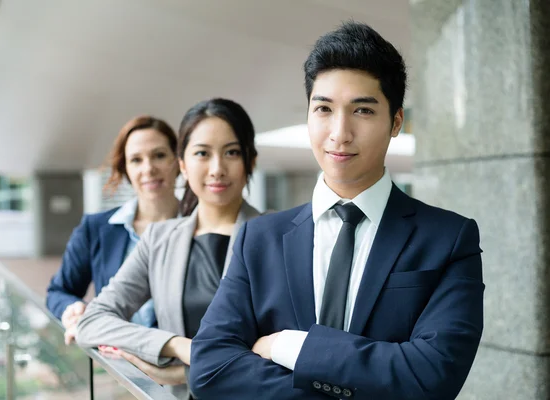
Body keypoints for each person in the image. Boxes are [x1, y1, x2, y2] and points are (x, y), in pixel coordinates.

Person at [189, 21, 484, 400]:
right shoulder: (258, 238)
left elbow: (432, 376)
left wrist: (289, 347)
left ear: (395, 122)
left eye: (362, 110)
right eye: (324, 109)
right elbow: (210, 367)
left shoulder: (448, 239)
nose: (339, 133)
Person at [75, 98, 261, 400]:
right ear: (183, 165)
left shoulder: (279, 236)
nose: (217, 169)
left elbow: (289, 351)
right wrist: (175, 345)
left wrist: (184, 371)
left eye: (232, 152)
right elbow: (92, 322)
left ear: (250, 161)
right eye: (202, 153)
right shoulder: (160, 239)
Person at [46, 116, 180, 345]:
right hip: (120, 366)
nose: (148, 168)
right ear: (125, 168)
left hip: (185, 366)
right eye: (136, 160)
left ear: (178, 161)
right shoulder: (96, 228)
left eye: (159, 155)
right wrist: (73, 309)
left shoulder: (202, 226)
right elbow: (58, 291)